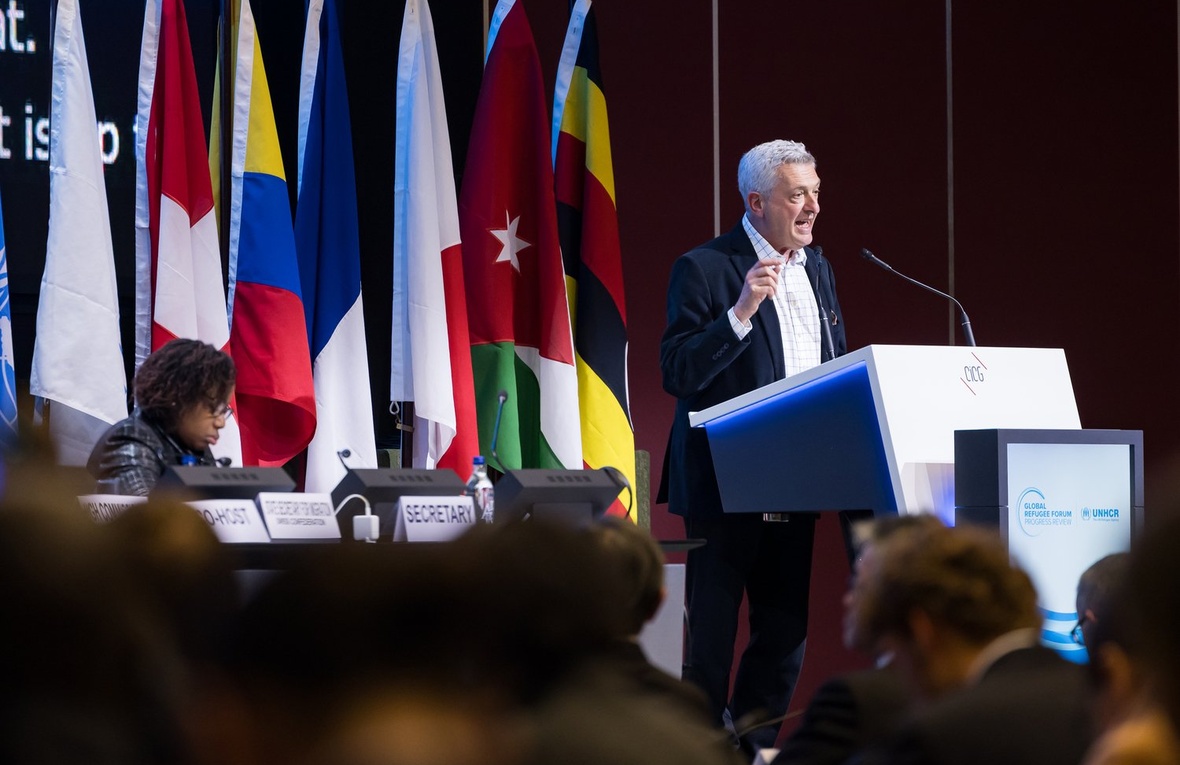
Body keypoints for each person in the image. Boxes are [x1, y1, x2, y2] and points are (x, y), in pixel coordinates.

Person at [657, 139, 846, 755]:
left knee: (785, 637)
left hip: (797, 478)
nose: (813, 206)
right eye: (799, 195)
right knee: (710, 644)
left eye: (816, 192)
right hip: (724, 483)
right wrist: (740, 313)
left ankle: (749, 749)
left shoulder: (818, 269)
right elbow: (678, 372)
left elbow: (833, 365)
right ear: (757, 202)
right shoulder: (706, 267)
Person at [851, 523, 1094, 764]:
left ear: (922, 631)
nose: (901, 677)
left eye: (895, 653)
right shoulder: (1103, 693)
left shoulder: (939, 737)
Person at [776, 515, 943, 765]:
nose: (848, 599)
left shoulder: (854, 700)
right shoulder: (975, 686)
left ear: (896, 599)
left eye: (859, 585)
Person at [88, 338, 236, 495]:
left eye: (224, 411)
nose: (221, 423)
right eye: (215, 409)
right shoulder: (130, 437)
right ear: (180, 398)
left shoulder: (191, 444)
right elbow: (145, 507)